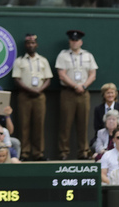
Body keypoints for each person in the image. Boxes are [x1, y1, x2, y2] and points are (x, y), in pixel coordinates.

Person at [56, 29, 98, 160]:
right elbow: (61, 75)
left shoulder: (88, 55)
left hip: (84, 93)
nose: (74, 43)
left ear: (81, 42)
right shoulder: (63, 55)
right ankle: (63, 152)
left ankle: (83, 152)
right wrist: (75, 86)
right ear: (69, 41)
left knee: (83, 123)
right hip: (68, 92)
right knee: (65, 124)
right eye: (72, 40)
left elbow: (93, 74)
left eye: (77, 40)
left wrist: (83, 86)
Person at [12, 33, 53, 161]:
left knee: (39, 125)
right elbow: (17, 79)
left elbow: (48, 79)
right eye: (28, 43)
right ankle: (24, 153)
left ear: (36, 44)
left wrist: (39, 89)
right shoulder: (19, 61)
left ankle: (38, 153)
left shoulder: (43, 60)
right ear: (25, 45)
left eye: (33, 43)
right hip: (24, 95)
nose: (31, 45)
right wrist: (29, 89)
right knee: (24, 125)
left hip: (40, 95)